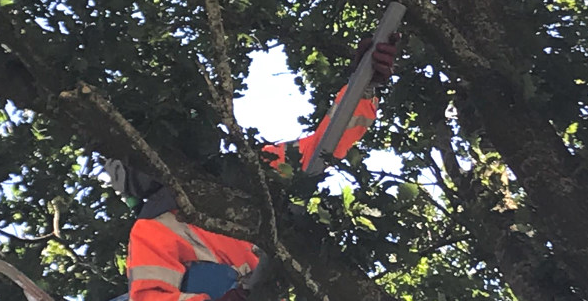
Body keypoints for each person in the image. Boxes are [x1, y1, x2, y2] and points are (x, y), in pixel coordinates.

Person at [105, 36, 399, 301]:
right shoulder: (154, 230)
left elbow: (321, 148)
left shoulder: (249, 173)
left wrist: (362, 86)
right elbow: (151, 297)